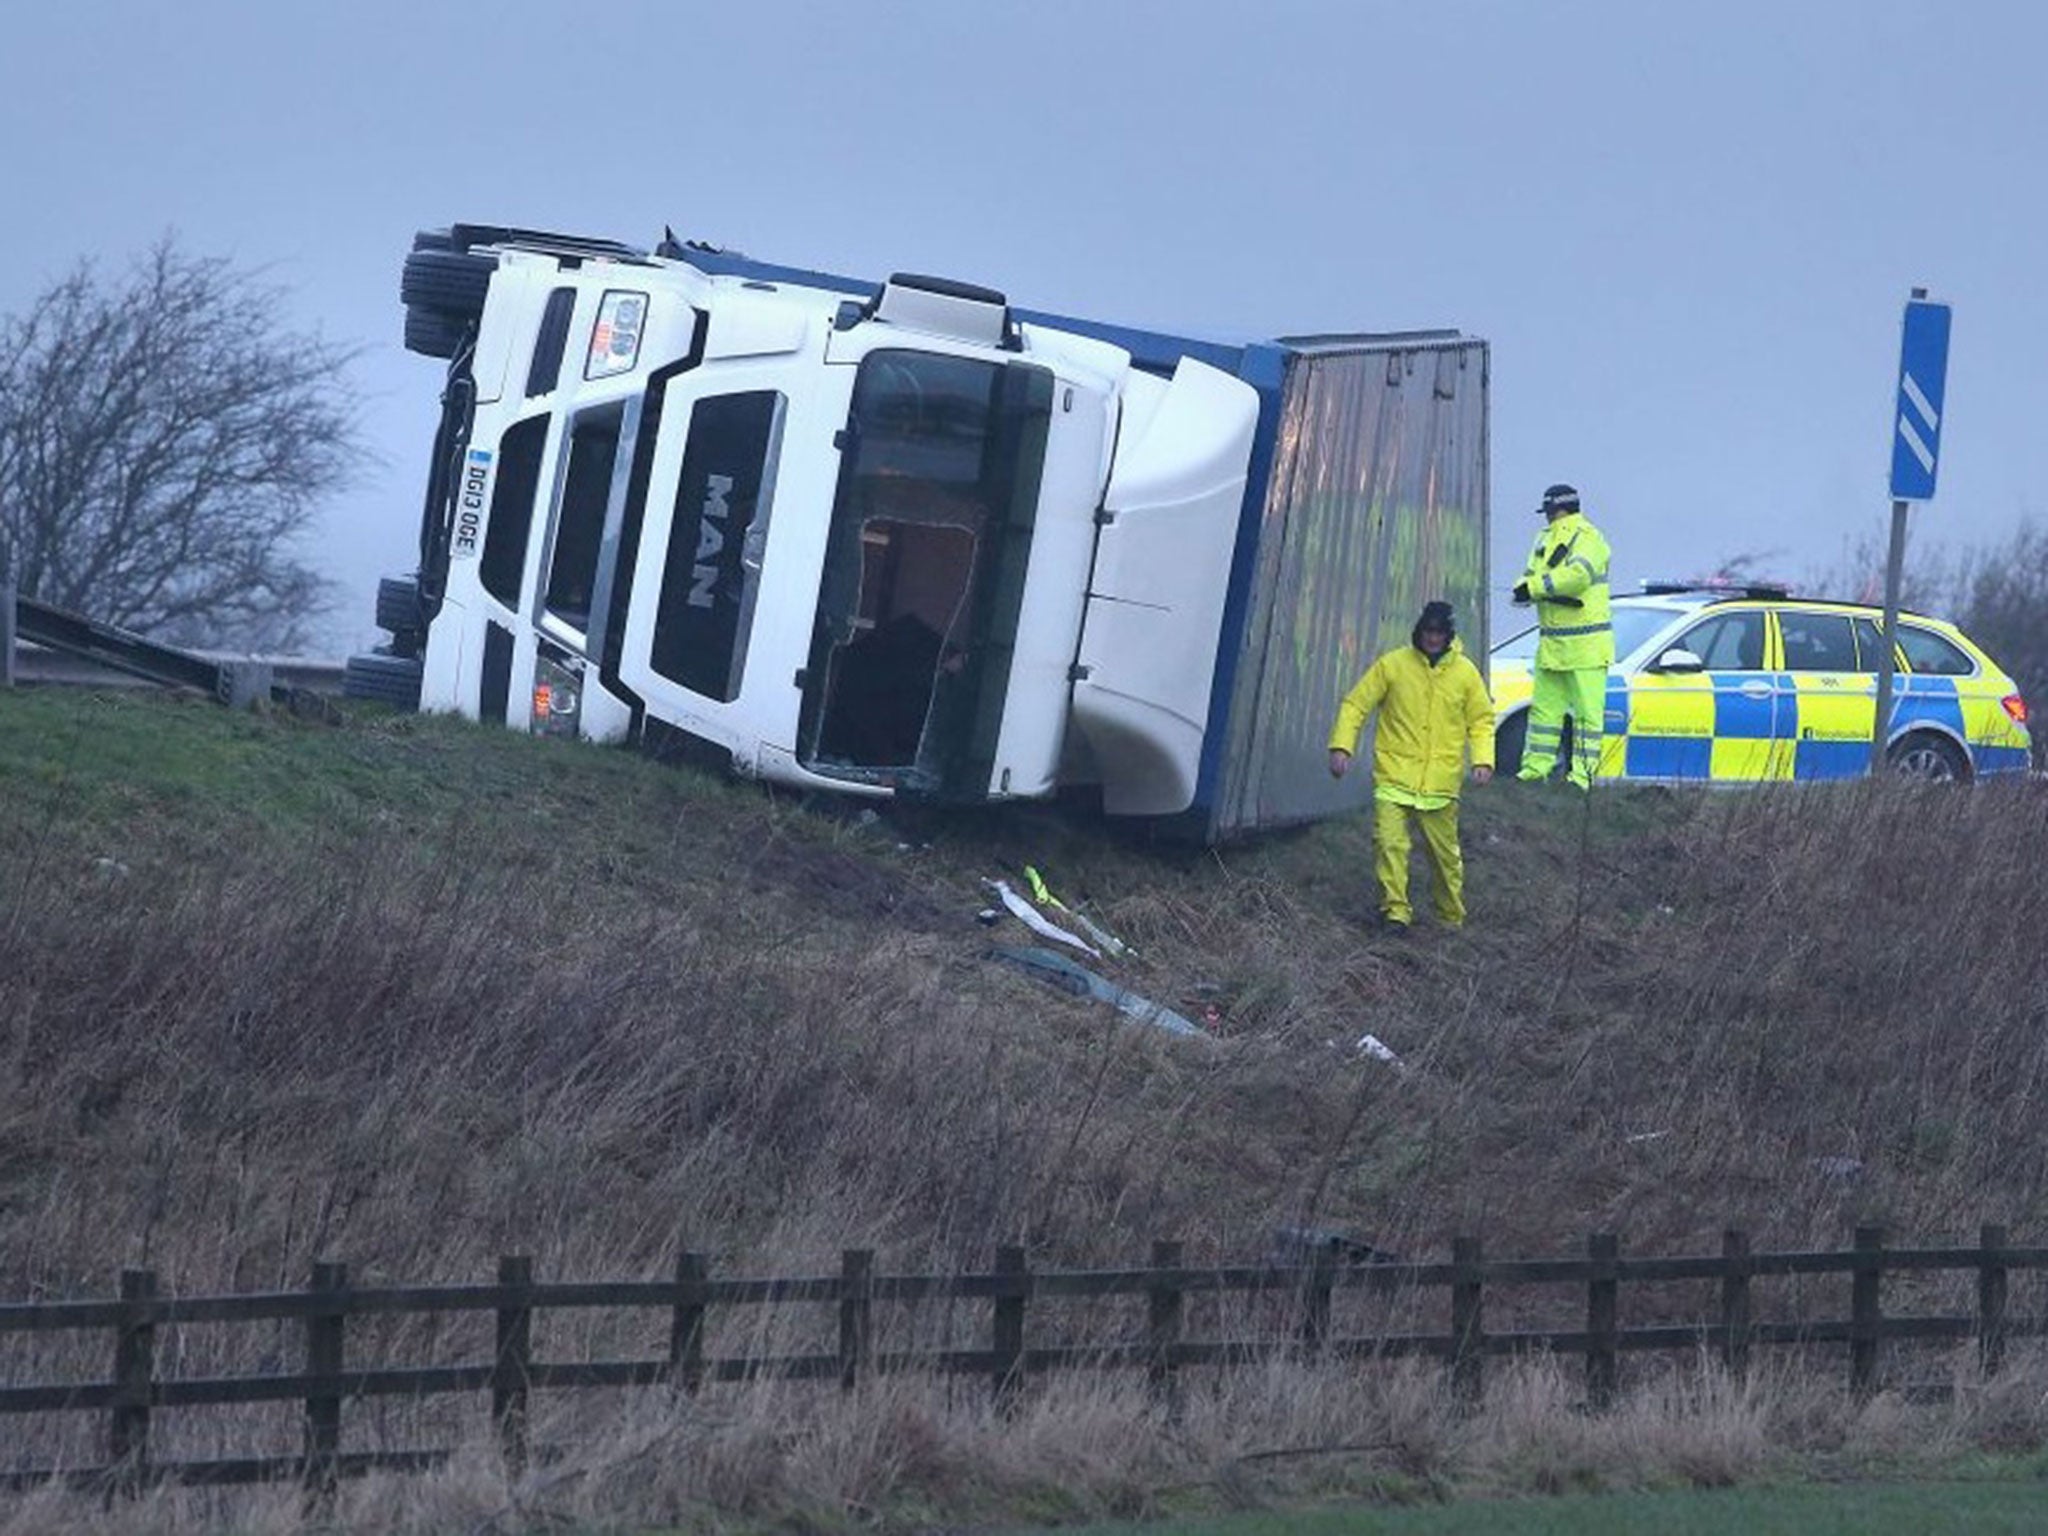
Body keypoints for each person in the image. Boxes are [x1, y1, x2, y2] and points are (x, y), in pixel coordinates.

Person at [1327, 601, 1495, 932]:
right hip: (1394, 775)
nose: (1433, 638)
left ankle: (1450, 917)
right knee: (1389, 844)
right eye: (1428, 631)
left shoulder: (1465, 673)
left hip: (1440, 785)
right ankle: (1395, 912)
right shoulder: (1393, 665)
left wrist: (1483, 760)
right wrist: (1341, 746)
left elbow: (1481, 720)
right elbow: (1356, 705)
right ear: (1419, 631)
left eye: (1439, 632)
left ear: (1449, 635)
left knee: (1444, 858)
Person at [1511, 483, 1613, 788]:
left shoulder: (1589, 538)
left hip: (1585, 646)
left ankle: (1581, 778)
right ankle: (1534, 771)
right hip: (1554, 645)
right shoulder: (1545, 539)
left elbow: (1577, 578)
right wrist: (1523, 590)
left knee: (1584, 716)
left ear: (1555, 510)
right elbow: (1531, 576)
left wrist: (1534, 588)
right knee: (1545, 714)